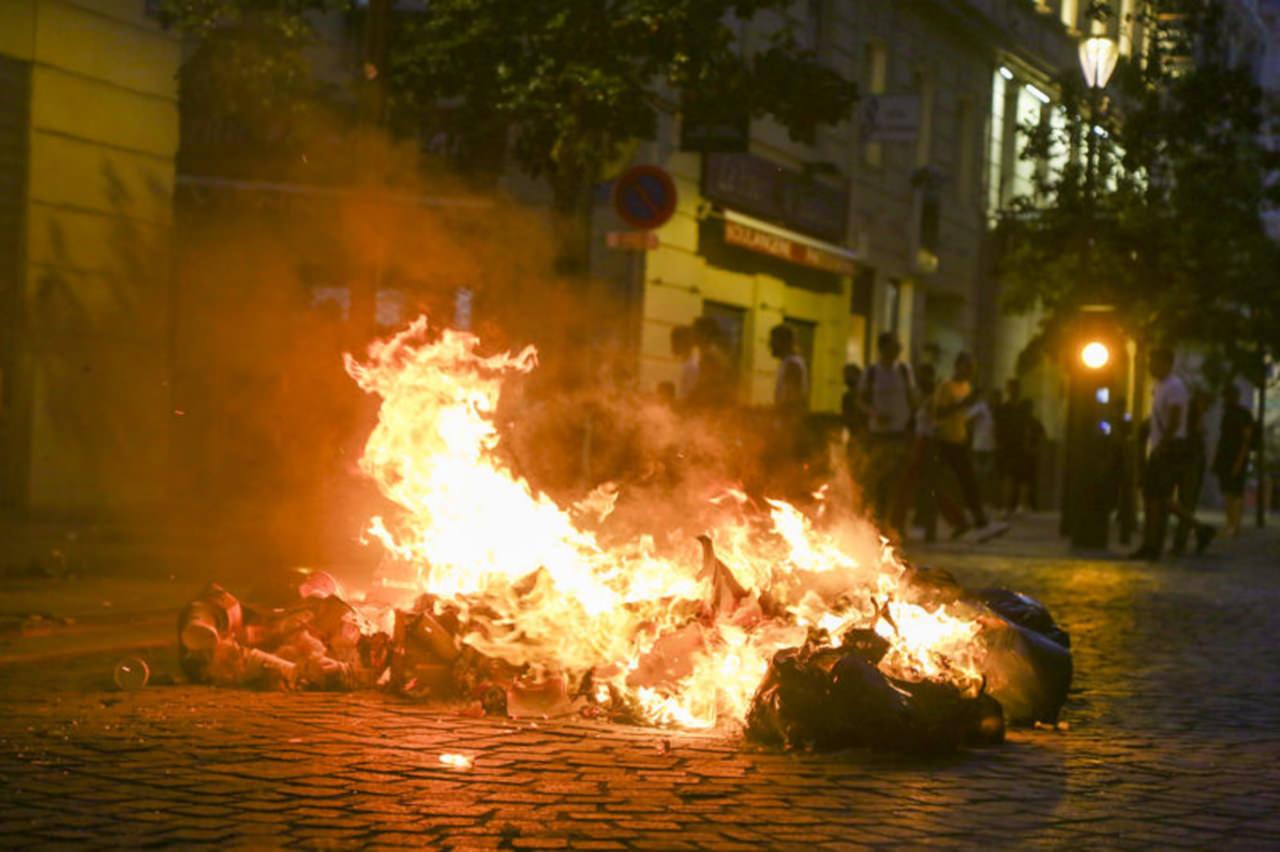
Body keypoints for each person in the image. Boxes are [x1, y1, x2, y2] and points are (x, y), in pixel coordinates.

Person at [1130, 347, 1215, 560]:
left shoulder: (1175, 387)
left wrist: (1162, 445)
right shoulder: (1159, 386)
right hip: (1163, 446)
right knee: (1154, 496)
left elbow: (1176, 420)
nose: (1151, 367)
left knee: (1158, 496)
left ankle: (1157, 544)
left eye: (1154, 362)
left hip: (1170, 448)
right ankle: (1153, 542)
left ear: (1166, 363)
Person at [932, 352, 1007, 541]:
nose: (971, 372)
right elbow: (939, 413)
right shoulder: (946, 387)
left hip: (960, 440)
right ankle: (960, 521)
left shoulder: (967, 387)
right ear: (957, 366)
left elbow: (965, 416)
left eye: (973, 369)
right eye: (968, 367)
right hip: (943, 441)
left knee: (968, 482)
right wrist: (963, 404)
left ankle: (977, 520)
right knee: (942, 484)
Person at [858, 332, 916, 536]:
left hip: (899, 434)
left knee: (897, 482)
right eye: (893, 346)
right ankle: (876, 524)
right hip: (879, 435)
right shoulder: (872, 372)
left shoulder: (904, 370)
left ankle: (895, 525)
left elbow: (912, 398)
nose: (897, 350)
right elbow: (861, 401)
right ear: (882, 348)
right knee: (876, 482)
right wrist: (874, 413)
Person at [1172, 388, 1211, 555]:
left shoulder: (1192, 417)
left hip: (1187, 459)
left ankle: (1185, 538)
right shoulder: (1192, 415)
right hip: (1189, 458)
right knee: (1183, 501)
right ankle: (1196, 530)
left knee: (1182, 500)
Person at [1213, 383, 1254, 538]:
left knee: (1234, 493)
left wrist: (1239, 460)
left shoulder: (1242, 414)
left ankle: (1234, 524)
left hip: (1235, 457)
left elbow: (1246, 440)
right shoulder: (1228, 413)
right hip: (1226, 457)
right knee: (1228, 492)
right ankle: (1231, 523)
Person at [687, 317, 734, 409]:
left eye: (695, 331)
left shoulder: (709, 356)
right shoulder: (711, 353)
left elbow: (708, 385)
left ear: (704, 334)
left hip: (711, 407)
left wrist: (690, 401)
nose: (692, 336)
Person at [769, 324, 809, 416]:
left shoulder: (792, 364)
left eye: (773, 341)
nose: (770, 344)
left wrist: (777, 413)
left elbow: (791, 399)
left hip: (789, 420)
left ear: (784, 342)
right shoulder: (789, 362)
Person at [968, 389, 998, 506]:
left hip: (990, 448)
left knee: (988, 476)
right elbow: (968, 418)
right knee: (979, 476)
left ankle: (987, 502)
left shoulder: (993, 411)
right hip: (979, 447)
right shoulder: (980, 407)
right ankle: (978, 501)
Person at [669, 325, 698, 402]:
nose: (672, 345)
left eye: (675, 341)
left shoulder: (692, 367)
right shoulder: (684, 364)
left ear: (684, 343)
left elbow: (690, 398)